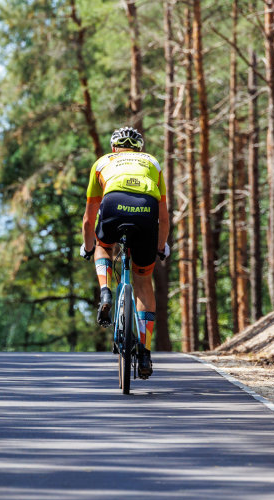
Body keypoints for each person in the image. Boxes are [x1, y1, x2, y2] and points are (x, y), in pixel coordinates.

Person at [79, 127, 170, 379]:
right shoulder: (152, 161)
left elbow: (89, 218)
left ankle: (106, 291)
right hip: (146, 210)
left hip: (113, 203)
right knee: (143, 281)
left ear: (114, 148)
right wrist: (161, 247)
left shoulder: (102, 163)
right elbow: (163, 216)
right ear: (139, 148)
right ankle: (145, 352)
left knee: (102, 246)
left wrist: (88, 248)